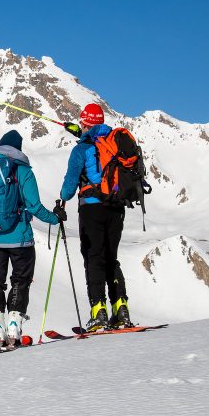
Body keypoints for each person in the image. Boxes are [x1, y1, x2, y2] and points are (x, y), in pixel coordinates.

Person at [0, 130, 61, 348]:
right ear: (18, 149)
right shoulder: (22, 170)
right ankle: (14, 325)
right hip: (20, 239)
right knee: (20, 280)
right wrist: (55, 218)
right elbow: (34, 206)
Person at [59, 103, 132, 331]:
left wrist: (62, 197)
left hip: (91, 208)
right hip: (116, 208)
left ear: (84, 122)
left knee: (94, 258)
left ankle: (97, 311)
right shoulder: (113, 142)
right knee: (111, 258)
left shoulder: (82, 149)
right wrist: (82, 134)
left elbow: (69, 188)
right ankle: (120, 309)